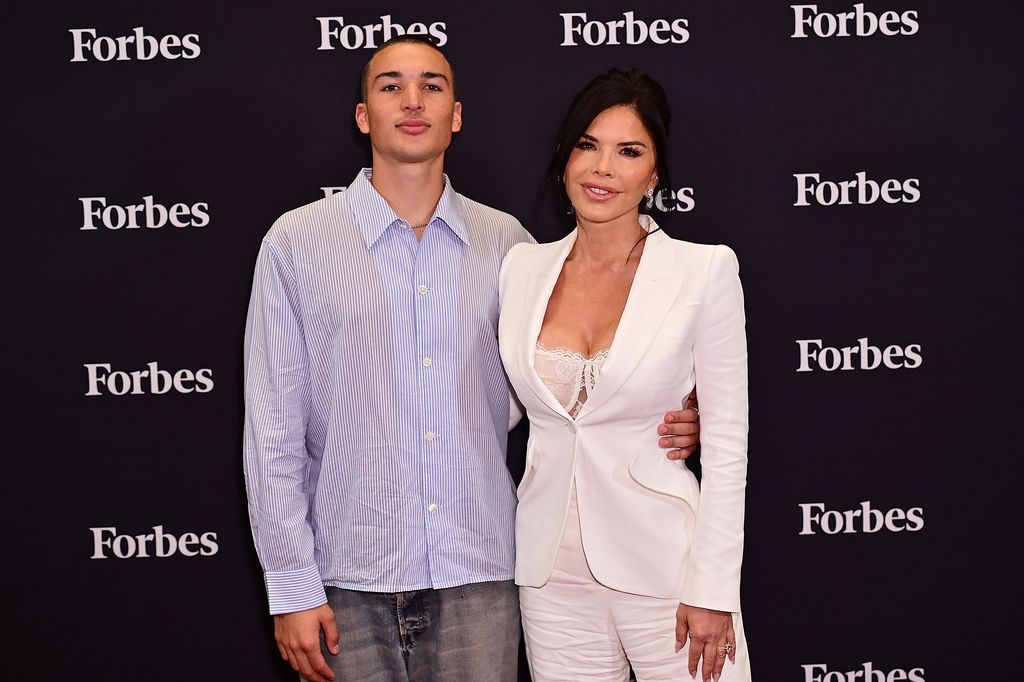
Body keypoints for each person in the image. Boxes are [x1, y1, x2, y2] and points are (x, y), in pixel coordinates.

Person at [243, 39, 702, 682]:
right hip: (345, 574)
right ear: (361, 114)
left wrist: (673, 416)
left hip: (480, 579)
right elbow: (272, 432)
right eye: (391, 86)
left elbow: (558, 387)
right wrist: (292, 584)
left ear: (456, 114)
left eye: (431, 86)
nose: (411, 101)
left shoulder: (509, 245)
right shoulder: (295, 243)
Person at [498, 68, 751, 682]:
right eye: (587, 145)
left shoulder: (703, 271)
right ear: (565, 160)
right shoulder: (521, 267)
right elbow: (497, 409)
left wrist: (714, 589)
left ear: (655, 174)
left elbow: (726, 447)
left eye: (628, 151)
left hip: (668, 568)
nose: (602, 168)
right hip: (549, 574)